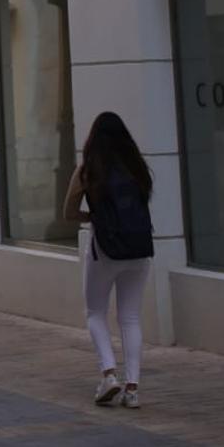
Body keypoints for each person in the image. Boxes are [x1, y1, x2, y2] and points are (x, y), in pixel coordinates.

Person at [64, 112, 155, 410]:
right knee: (130, 317)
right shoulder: (138, 168)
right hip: (140, 250)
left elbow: (68, 212)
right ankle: (133, 389)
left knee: (95, 312)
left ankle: (108, 374)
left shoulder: (88, 171)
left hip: (105, 249)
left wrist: (94, 217)